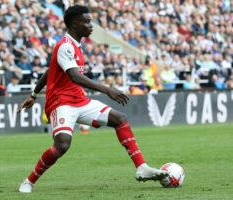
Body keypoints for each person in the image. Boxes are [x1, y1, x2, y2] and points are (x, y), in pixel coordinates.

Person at [17, 5, 168, 193]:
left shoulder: (76, 45)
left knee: (120, 119)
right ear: (74, 23)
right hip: (61, 103)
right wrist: (107, 90)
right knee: (62, 145)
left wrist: (33, 95)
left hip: (80, 101)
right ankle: (29, 181)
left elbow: (50, 71)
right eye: (87, 21)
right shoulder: (65, 45)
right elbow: (75, 76)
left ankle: (142, 167)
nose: (91, 26)